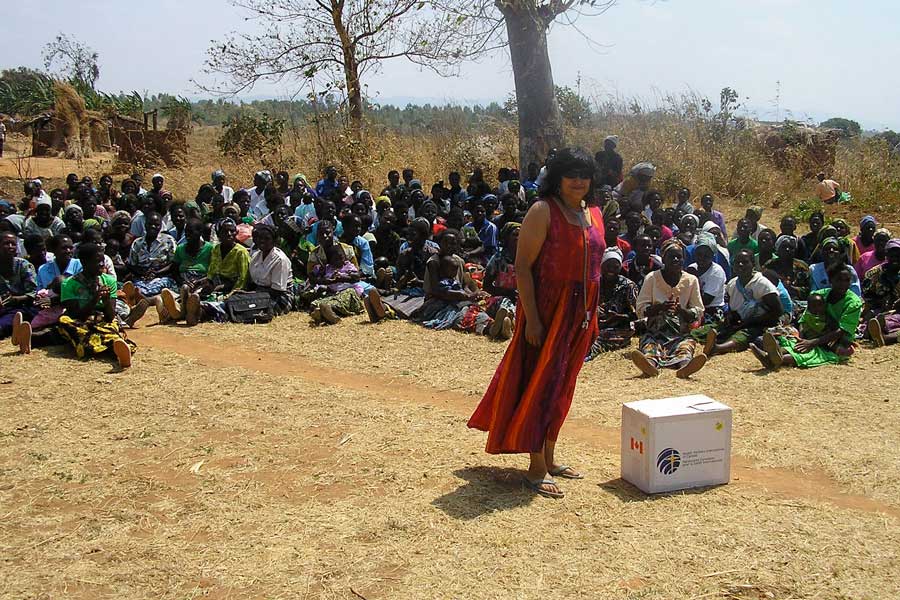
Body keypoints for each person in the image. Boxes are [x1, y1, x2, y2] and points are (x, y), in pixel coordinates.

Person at [468, 147, 606, 500]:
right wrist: (531, 318)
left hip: (583, 315)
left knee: (563, 386)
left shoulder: (593, 213)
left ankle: (550, 455)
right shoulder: (542, 211)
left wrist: (593, 313)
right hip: (548, 311)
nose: (578, 181)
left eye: (584, 175)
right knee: (540, 384)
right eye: (571, 174)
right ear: (557, 177)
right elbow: (524, 267)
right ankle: (535, 469)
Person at [752, 264, 862, 369]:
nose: (843, 284)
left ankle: (773, 359)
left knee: (813, 354)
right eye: (839, 280)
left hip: (836, 341)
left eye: (847, 280)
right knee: (795, 345)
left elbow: (841, 331)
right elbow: (804, 318)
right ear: (830, 280)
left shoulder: (853, 303)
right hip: (812, 334)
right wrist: (802, 337)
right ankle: (772, 354)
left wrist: (813, 342)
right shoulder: (820, 295)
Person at [631, 239, 706, 378]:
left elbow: (698, 311)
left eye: (679, 256)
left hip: (680, 333)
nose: (676, 260)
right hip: (655, 332)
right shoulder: (652, 278)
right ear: (663, 258)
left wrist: (681, 311)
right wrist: (659, 308)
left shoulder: (691, 280)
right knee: (650, 348)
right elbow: (641, 309)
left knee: (685, 348)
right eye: (672, 256)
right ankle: (649, 366)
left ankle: (685, 368)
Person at [56, 243, 136, 368]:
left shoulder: (109, 281)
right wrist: (94, 299)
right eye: (97, 261)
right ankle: (112, 349)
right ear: (84, 262)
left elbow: (110, 316)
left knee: (111, 327)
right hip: (81, 321)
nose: (101, 265)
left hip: (102, 319)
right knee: (65, 321)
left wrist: (105, 301)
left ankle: (116, 349)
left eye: (102, 261)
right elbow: (76, 315)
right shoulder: (69, 284)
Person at [702, 249, 783, 357]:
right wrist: (731, 318)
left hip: (761, 324)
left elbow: (777, 312)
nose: (740, 265)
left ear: (753, 264)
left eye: (745, 262)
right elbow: (732, 309)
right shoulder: (732, 284)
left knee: (743, 335)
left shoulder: (763, 285)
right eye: (737, 262)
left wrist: (749, 322)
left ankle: (716, 348)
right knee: (708, 329)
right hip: (740, 322)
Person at [585, 247, 638, 360]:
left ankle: (588, 354)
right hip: (596, 325)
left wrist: (616, 317)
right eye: (608, 266)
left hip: (619, 328)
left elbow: (637, 314)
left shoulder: (628, 286)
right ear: (601, 266)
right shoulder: (595, 284)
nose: (611, 270)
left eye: (615, 267)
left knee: (597, 340)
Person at [126, 211, 179, 302]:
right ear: (145, 225)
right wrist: (143, 273)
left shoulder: (169, 241)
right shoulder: (137, 243)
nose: (153, 227)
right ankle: (149, 298)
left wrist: (156, 273)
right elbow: (132, 264)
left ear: (160, 226)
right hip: (142, 277)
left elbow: (173, 263)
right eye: (150, 224)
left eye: (156, 225)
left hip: (162, 276)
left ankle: (146, 299)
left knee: (161, 285)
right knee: (136, 286)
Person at [483, 222, 520, 340]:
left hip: (521, 298)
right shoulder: (498, 258)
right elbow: (487, 286)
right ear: (507, 237)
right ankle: (507, 323)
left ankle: (506, 324)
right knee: (505, 304)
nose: (518, 238)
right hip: (501, 296)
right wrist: (507, 292)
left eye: (521, 234)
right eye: (515, 235)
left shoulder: (527, 258)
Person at [0, 231, 38, 343]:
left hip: (21, 307)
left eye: (13, 244)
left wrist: (15, 299)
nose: (11, 247)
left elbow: (32, 293)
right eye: (6, 243)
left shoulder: (23, 265)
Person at [248, 223, 294, 315]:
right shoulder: (256, 256)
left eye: (267, 239)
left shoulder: (280, 260)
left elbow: (277, 291)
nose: (262, 241)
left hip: (280, 297)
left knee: (252, 310)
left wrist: (254, 294)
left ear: (274, 241)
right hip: (259, 293)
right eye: (260, 238)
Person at [862, 238, 900, 347]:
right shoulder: (873, 274)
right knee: (875, 319)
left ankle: (883, 337)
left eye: (898, 256)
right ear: (886, 256)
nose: (895, 259)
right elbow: (867, 296)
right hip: (879, 310)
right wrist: (881, 303)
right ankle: (876, 329)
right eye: (892, 256)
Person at [686, 232, 727, 325]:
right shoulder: (692, 267)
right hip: (693, 309)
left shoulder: (716, 272)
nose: (702, 258)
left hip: (712, 310)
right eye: (699, 255)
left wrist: (695, 279)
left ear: (713, 256)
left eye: (706, 256)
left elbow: (706, 301)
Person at [766, 235, 811, 301]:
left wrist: (790, 287)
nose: (787, 250)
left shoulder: (802, 266)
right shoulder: (770, 265)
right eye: (784, 247)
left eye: (791, 247)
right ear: (777, 249)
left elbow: (807, 290)